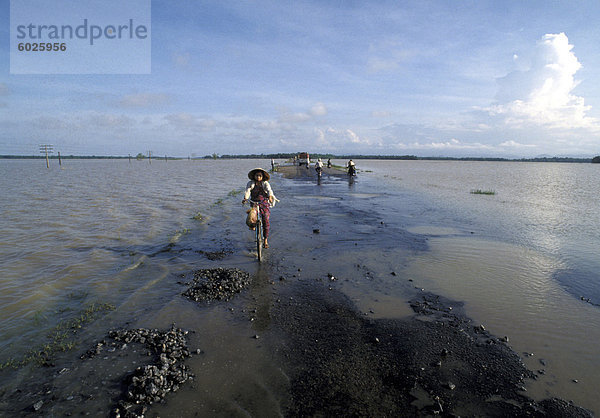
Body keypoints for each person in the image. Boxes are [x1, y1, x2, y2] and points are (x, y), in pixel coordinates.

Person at [242, 168, 276, 248]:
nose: (258, 177)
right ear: (254, 176)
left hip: (264, 203)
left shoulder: (265, 183)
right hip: (254, 203)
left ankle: (265, 240)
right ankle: (253, 226)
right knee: (251, 218)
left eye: (260, 176)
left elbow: (269, 190)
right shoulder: (251, 183)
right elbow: (248, 191)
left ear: (262, 177)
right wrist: (245, 198)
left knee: (266, 221)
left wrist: (270, 197)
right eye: (257, 175)